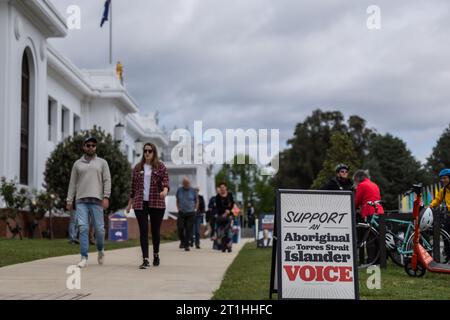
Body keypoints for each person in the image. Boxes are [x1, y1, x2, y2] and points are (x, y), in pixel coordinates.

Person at [66, 136, 111, 268]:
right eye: (88, 145)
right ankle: (84, 257)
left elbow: (107, 180)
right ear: (83, 147)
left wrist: (106, 197)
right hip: (81, 201)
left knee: (100, 230)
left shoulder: (102, 163)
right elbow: (72, 183)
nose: (91, 147)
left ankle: (100, 249)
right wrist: (69, 200)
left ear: (95, 147)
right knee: (83, 228)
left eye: (93, 145)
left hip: (97, 200)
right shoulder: (77, 164)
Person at [127, 142, 169, 269]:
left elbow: (166, 181)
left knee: (155, 231)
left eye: (150, 151)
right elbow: (133, 188)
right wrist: (129, 204)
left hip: (157, 202)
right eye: (145, 151)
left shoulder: (160, 166)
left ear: (154, 152)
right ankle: (145, 259)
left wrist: (165, 191)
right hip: (140, 203)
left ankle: (156, 254)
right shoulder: (138, 167)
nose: (147, 153)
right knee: (143, 230)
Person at [353, 169, 384, 265]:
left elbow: (357, 201)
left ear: (357, 179)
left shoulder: (362, 185)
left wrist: (353, 208)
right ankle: (379, 260)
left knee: (370, 237)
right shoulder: (374, 184)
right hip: (379, 211)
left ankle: (371, 261)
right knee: (379, 237)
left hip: (369, 212)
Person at [429, 168, 450, 260]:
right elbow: (437, 200)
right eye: (442, 178)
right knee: (446, 237)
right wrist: (429, 206)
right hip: (448, 216)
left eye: (445, 178)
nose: (443, 180)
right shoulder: (444, 190)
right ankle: (448, 256)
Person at [176, 177, 198, 251]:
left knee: (189, 229)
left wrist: (195, 209)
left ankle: (186, 245)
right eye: (185, 183)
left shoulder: (193, 190)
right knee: (180, 228)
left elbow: (196, 200)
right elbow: (177, 200)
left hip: (191, 213)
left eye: (188, 183)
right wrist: (178, 208)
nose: (187, 184)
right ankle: (182, 241)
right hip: (181, 212)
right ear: (183, 183)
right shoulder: (179, 190)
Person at [215, 182, 235, 253]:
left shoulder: (230, 195)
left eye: (223, 187)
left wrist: (228, 211)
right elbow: (217, 207)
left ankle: (229, 246)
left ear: (226, 187)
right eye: (221, 188)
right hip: (222, 216)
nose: (222, 189)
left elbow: (232, 205)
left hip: (230, 215)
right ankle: (224, 246)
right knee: (223, 231)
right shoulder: (217, 197)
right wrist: (224, 212)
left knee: (229, 231)